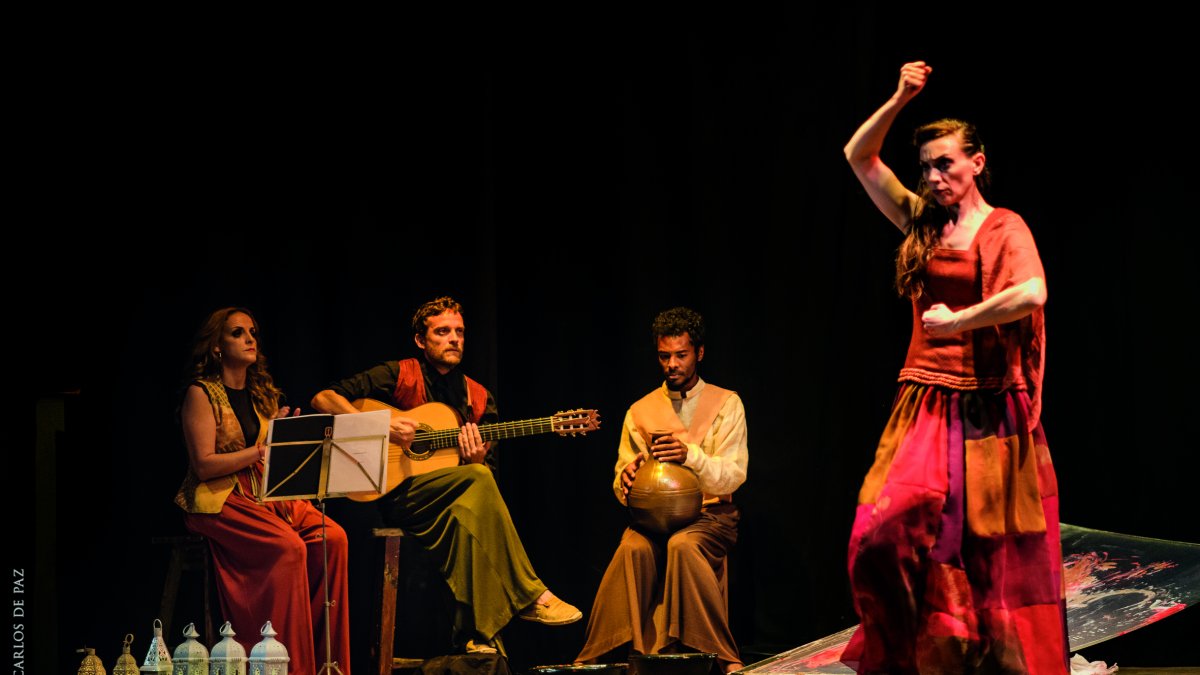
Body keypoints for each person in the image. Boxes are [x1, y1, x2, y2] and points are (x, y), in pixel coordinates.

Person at [839, 61, 1067, 673]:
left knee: (989, 559)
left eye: (946, 164)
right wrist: (898, 97)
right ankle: (912, 655)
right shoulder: (921, 220)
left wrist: (960, 322)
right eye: (928, 167)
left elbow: (1033, 293)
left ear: (977, 163)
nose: (935, 176)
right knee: (880, 535)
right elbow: (859, 157)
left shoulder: (1004, 227)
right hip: (926, 401)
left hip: (990, 408)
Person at [310, 295, 581, 654]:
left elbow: (487, 483)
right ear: (422, 341)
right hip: (398, 495)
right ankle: (531, 595)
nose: (454, 338)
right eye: (442, 331)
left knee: (469, 512)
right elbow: (323, 399)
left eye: (459, 332)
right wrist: (384, 427)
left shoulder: (479, 398)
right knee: (476, 484)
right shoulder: (397, 374)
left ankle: (477, 637)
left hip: (447, 497)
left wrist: (475, 460)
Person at [175, 307, 352, 675]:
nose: (250, 338)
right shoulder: (201, 394)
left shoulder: (262, 394)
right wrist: (260, 449)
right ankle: (288, 665)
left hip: (265, 493)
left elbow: (272, 459)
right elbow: (204, 465)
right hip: (220, 498)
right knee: (288, 549)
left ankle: (328, 663)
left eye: (252, 331)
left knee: (332, 538)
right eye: (238, 333)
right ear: (218, 347)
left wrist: (288, 438)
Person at [576, 307, 748, 674]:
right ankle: (600, 657)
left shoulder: (726, 404)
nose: (672, 364)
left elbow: (733, 476)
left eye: (681, 355)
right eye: (664, 355)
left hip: (709, 516)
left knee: (683, 546)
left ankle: (723, 656)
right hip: (652, 520)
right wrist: (627, 481)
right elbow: (621, 480)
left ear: (698, 353)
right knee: (630, 549)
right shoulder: (640, 410)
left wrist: (691, 457)